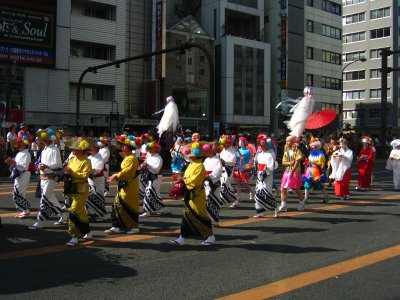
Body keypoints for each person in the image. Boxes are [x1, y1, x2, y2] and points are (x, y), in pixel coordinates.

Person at [169, 141, 216, 246]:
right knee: (187, 215)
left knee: (201, 215)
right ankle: (181, 238)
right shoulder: (192, 164)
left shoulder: (199, 166)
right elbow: (187, 178)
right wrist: (180, 178)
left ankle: (211, 236)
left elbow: (195, 181)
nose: (188, 157)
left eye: (190, 155)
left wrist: (182, 180)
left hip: (197, 194)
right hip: (190, 193)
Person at [29, 128, 67, 230]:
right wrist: (39, 166)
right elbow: (40, 162)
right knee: (51, 198)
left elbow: (58, 164)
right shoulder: (44, 150)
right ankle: (63, 216)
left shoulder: (54, 149)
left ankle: (40, 221)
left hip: (50, 177)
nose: (42, 140)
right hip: (43, 177)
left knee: (44, 198)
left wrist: (46, 166)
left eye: (43, 138)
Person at [105, 135, 141, 234]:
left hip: (130, 185)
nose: (122, 148)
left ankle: (134, 227)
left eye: (124, 146)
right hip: (125, 184)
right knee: (117, 204)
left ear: (129, 148)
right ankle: (116, 226)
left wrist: (116, 175)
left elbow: (127, 171)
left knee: (129, 205)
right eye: (122, 146)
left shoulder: (132, 158)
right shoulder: (129, 157)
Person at [64, 137, 93, 246]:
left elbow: (85, 176)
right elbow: (68, 170)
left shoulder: (86, 161)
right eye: (73, 149)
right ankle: (88, 232)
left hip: (82, 189)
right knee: (81, 213)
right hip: (72, 188)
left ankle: (75, 235)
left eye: (75, 149)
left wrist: (72, 173)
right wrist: (66, 172)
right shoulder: (72, 159)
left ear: (81, 150)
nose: (73, 151)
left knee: (74, 212)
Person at [5, 136, 32, 218]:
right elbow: (16, 165)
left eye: (21, 144)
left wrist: (14, 163)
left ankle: (26, 210)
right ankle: (25, 211)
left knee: (17, 194)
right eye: (18, 144)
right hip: (19, 174)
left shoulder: (27, 154)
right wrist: (11, 162)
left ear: (25, 145)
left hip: (24, 174)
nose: (19, 145)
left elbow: (24, 166)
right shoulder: (19, 153)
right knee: (20, 193)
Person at [253, 134, 279, 218]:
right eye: (260, 144)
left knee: (266, 193)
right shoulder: (260, 154)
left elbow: (271, 167)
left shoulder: (270, 155)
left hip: (267, 176)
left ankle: (276, 208)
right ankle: (259, 212)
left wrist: (265, 170)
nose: (261, 146)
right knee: (257, 193)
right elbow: (257, 165)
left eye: (263, 144)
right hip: (260, 175)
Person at [139, 141, 167, 217]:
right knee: (155, 193)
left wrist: (148, 165)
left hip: (156, 177)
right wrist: (143, 165)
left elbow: (156, 169)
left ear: (155, 150)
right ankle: (162, 209)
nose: (149, 150)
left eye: (151, 149)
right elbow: (143, 164)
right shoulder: (149, 156)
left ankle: (146, 211)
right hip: (148, 176)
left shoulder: (158, 158)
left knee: (149, 193)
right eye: (149, 149)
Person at [278, 136, 305, 213]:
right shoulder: (286, 151)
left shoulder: (297, 150)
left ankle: (302, 203)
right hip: (287, 172)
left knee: (296, 189)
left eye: (288, 141)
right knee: (283, 188)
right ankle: (283, 205)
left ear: (293, 141)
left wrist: (292, 171)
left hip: (295, 172)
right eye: (286, 141)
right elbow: (283, 162)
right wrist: (289, 163)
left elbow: (297, 162)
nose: (287, 142)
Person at [302, 136, 329, 204]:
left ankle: (326, 197)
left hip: (317, 171)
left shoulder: (321, 154)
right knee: (307, 184)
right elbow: (309, 160)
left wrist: (312, 162)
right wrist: (307, 161)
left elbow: (321, 164)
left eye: (314, 146)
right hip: (310, 170)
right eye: (312, 146)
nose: (312, 147)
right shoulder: (311, 153)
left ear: (318, 146)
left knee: (319, 185)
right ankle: (306, 198)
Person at [86, 140, 107, 221]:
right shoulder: (89, 157)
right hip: (90, 179)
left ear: (96, 149)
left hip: (97, 179)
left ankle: (102, 215)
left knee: (99, 195)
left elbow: (98, 169)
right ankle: (92, 212)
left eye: (92, 148)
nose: (90, 150)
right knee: (91, 195)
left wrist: (90, 171)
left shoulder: (99, 158)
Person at [231, 136, 254, 208]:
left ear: (243, 143)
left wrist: (247, 163)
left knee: (244, 183)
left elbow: (249, 158)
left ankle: (252, 190)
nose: (239, 143)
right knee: (238, 183)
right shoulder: (238, 150)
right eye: (239, 142)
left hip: (243, 168)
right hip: (237, 168)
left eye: (240, 142)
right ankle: (238, 197)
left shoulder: (247, 151)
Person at [204, 141, 223, 226]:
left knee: (212, 200)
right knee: (206, 200)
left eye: (208, 151)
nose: (206, 152)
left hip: (214, 182)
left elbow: (217, 172)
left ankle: (214, 220)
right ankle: (208, 219)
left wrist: (209, 176)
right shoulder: (206, 160)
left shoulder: (217, 160)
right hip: (206, 182)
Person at [219, 135, 238, 205]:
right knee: (225, 184)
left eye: (224, 143)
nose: (223, 145)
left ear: (229, 143)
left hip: (228, 168)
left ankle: (223, 199)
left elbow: (232, 161)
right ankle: (234, 199)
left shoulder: (232, 150)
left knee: (225, 183)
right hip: (222, 168)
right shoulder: (222, 150)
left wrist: (224, 161)